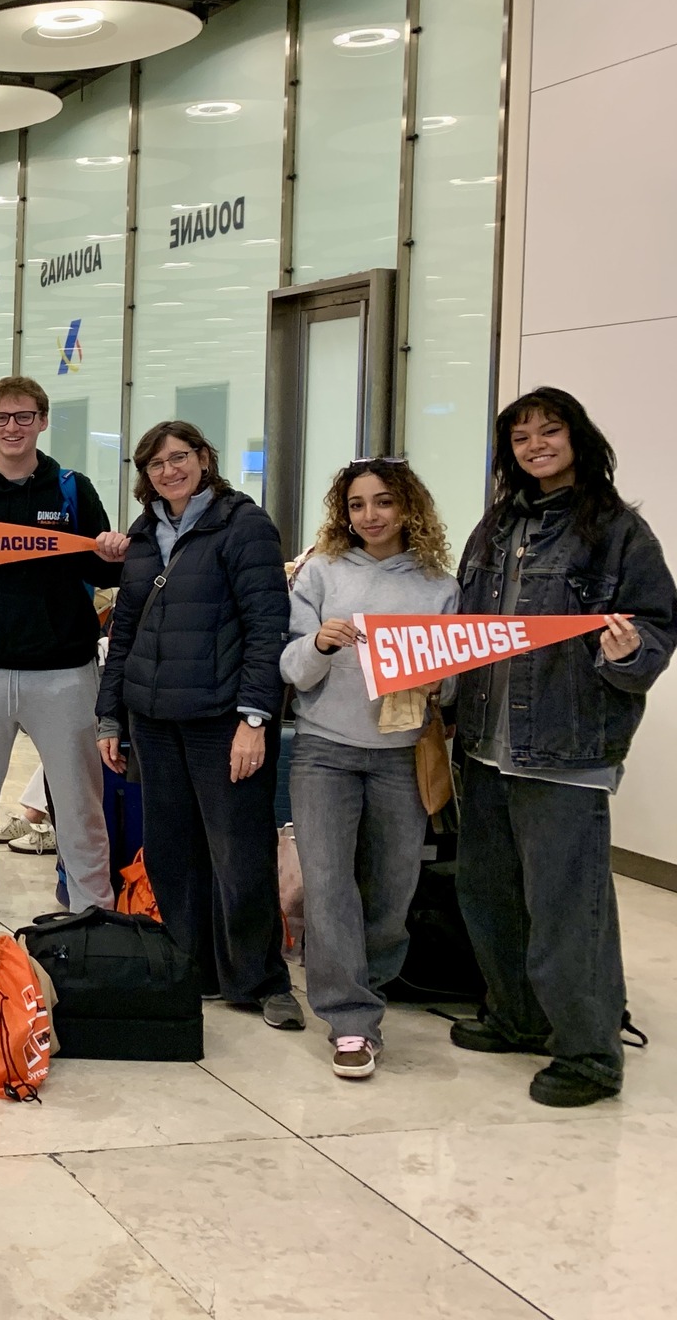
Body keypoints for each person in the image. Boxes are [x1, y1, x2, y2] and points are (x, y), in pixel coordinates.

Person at [449, 388, 675, 1107]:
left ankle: (587, 1054)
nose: (535, 445)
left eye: (549, 431)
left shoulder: (615, 530)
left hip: (567, 749)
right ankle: (517, 1018)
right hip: (485, 743)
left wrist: (629, 652)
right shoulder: (494, 527)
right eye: (521, 437)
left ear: (578, 437)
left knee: (567, 909)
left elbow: (658, 626)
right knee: (490, 896)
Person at [96, 420, 301, 1028]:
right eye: (156, 464)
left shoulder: (244, 526)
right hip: (154, 720)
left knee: (239, 854)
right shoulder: (144, 533)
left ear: (204, 458)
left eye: (179, 458)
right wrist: (110, 716)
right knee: (171, 853)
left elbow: (268, 629)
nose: (169, 471)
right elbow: (123, 631)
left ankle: (259, 979)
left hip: (221, 719)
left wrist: (255, 719)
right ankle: (193, 968)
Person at [281, 459, 460, 1079]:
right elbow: (292, 668)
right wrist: (319, 645)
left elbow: (455, 683)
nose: (370, 516)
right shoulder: (321, 572)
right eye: (357, 505)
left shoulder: (439, 584)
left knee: (391, 891)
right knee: (328, 886)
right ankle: (351, 1019)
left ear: (408, 507)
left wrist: (441, 681)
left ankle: (369, 980)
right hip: (324, 752)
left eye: (383, 502)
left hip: (399, 758)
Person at [0, 376, 128, 937]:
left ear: (42, 421)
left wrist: (112, 552)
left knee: (78, 801)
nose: (11, 427)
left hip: (64, 674)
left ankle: (93, 908)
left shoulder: (72, 490)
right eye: (0, 417)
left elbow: (102, 569)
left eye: (23, 417)